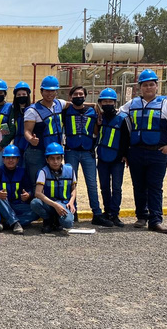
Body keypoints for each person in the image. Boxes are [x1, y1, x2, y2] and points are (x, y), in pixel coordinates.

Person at [118, 69, 167, 234]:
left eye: (151, 85)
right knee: (138, 186)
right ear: (140, 87)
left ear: (156, 86)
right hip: (136, 152)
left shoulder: (166, 105)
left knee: (155, 187)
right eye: (145, 85)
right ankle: (141, 216)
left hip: (157, 153)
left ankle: (155, 220)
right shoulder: (132, 104)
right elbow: (118, 116)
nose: (148, 88)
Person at [63, 85, 113, 227]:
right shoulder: (66, 111)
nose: (79, 97)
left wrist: (94, 109)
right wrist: (92, 104)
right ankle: (73, 211)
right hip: (71, 151)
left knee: (92, 184)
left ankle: (96, 213)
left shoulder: (92, 112)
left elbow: (96, 131)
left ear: (85, 96)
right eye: (76, 94)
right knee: (71, 183)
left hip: (88, 152)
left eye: (81, 94)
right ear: (71, 96)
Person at [23, 75, 66, 188]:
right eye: (47, 90)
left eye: (53, 91)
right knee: (37, 182)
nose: (50, 93)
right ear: (41, 91)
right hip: (37, 152)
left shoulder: (59, 104)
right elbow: (27, 131)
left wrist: (93, 105)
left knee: (52, 182)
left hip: (54, 152)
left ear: (56, 92)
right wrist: (31, 139)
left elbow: (72, 104)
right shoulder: (32, 110)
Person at [96, 88, 129, 228]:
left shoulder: (122, 118)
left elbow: (127, 138)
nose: (107, 104)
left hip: (117, 159)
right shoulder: (99, 118)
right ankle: (107, 211)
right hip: (102, 157)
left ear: (115, 103)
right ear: (100, 103)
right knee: (104, 187)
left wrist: (125, 155)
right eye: (105, 102)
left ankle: (115, 214)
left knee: (116, 188)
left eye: (110, 101)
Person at [0, 145, 36, 234]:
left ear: (18, 160)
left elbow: (30, 188)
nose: (10, 160)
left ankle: (8, 224)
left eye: (13, 158)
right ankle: (15, 223)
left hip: (17, 204)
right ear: (3, 159)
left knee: (35, 212)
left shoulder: (22, 172)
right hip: (2, 205)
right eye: (8, 158)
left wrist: (28, 194)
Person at [31, 143, 76, 233]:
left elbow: (74, 189)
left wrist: (71, 202)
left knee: (68, 223)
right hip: (49, 203)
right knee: (35, 203)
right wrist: (55, 205)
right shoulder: (43, 172)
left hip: (64, 203)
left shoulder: (70, 170)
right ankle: (48, 220)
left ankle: (57, 221)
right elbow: (38, 193)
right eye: (52, 158)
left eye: (58, 158)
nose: (55, 161)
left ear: (62, 159)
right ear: (47, 160)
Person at [10, 81, 32, 155]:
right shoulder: (12, 111)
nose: (21, 96)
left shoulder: (32, 110)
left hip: (28, 144)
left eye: (24, 94)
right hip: (17, 143)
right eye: (18, 95)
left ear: (28, 95)